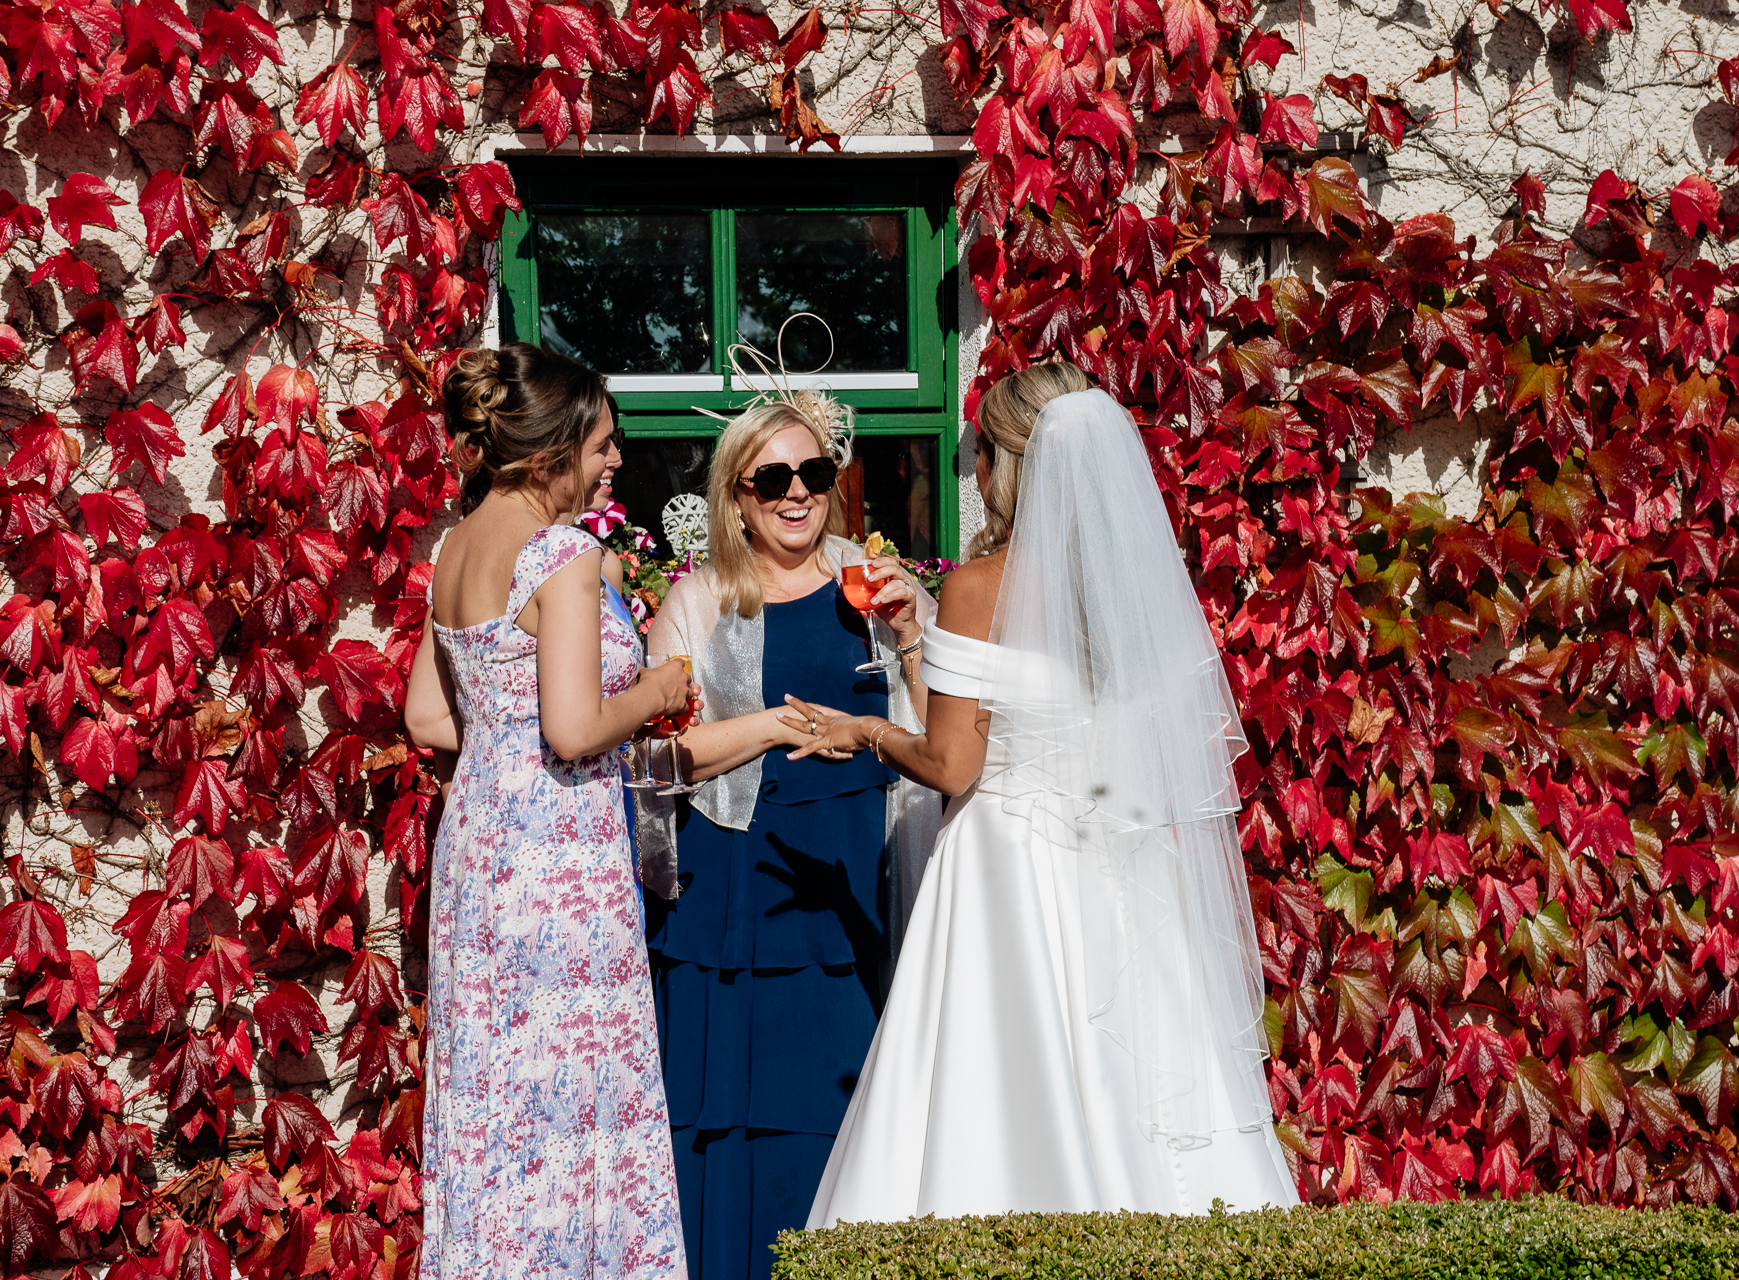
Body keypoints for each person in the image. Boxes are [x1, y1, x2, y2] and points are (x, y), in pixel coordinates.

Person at [790, 365, 1302, 1223]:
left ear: (1010, 464)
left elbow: (954, 765)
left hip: (1006, 866)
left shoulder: (980, 585)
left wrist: (865, 731)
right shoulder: (1128, 588)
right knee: (1142, 1087)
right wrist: (920, 644)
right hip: (1118, 861)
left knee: (990, 1090)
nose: (976, 474)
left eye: (981, 454)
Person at [631, 393, 940, 1280]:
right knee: (734, 1114)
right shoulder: (700, 596)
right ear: (738, 495)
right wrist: (769, 726)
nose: (796, 492)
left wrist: (913, 633)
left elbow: (943, 722)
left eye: (814, 472)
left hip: (854, 869)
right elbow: (661, 754)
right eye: (773, 478)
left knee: (841, 1099)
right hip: (742, 873)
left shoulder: (876, 582)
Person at [402, 342, 694, 1280]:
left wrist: (504, 735)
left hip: (480, 845)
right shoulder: (561, 554)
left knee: (496, 1098)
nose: (615, 461)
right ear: (547, 456)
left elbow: (427, 716)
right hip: (557, 857)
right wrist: (657, 686)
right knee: (571, 1101)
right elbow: (574, 731)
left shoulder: (456, 546)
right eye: (601, 445)